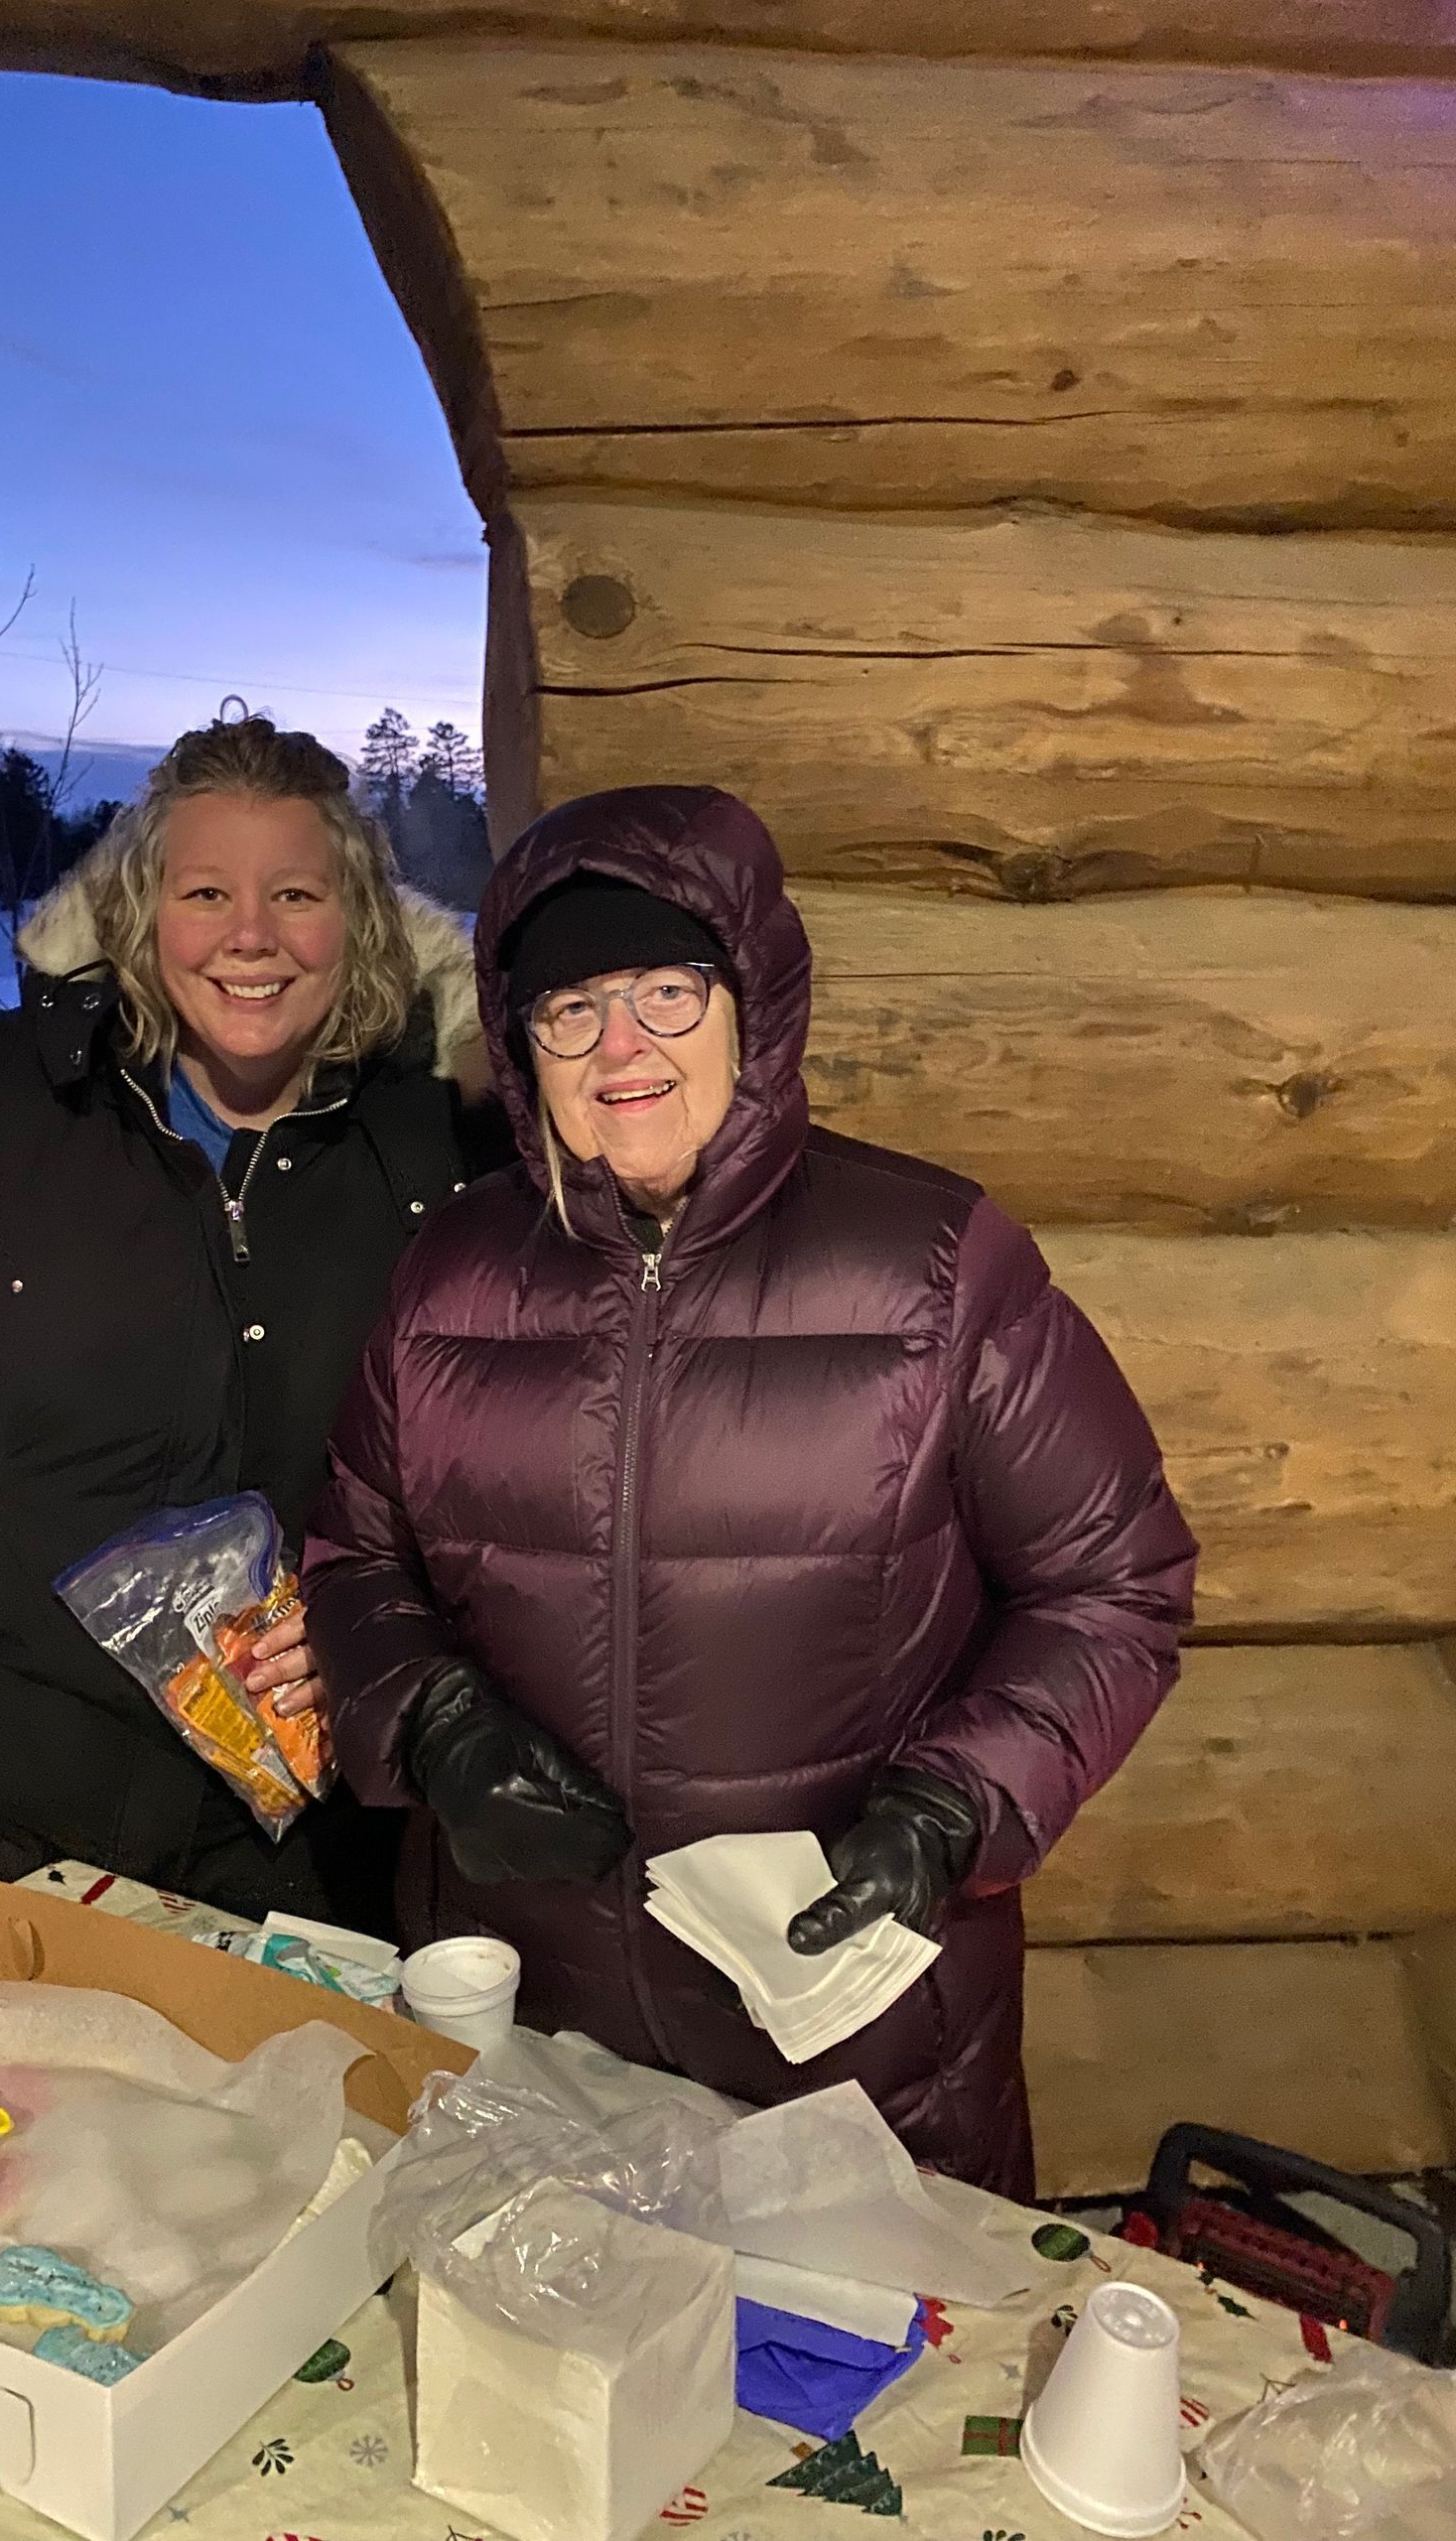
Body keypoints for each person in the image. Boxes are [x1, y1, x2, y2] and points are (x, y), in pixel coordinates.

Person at [305, 784, 1197, 2195]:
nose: (622, 1049)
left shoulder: (936, 1265)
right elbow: (354, 1557)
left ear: (754, 1008)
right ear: (521, 1040)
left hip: (855, 2052)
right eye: (570, 1010)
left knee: (857, 2405)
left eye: (668, 990)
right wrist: (435, 1722)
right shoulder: (450, 1276)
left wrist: (956, 1805)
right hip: (539, 2030)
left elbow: (1114, 1582)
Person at [0, 713, 501, 1945]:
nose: (251, 936)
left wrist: (383, 1629)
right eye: (206, 891)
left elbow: (502, 1481)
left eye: (296, 893)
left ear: (357, 923)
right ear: (140, 915)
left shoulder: (438, 1151)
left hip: (295, 1847)